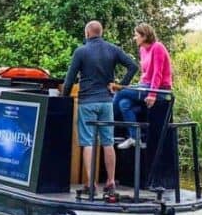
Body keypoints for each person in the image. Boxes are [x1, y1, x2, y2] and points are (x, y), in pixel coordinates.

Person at [60, 20, 138, 196]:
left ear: (87, 33)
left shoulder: (81, 51)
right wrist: (120, 86)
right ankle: (110, 182)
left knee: (88, 142)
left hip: (87, 101)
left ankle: (91, 183)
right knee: (108, 141)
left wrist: (64, 97)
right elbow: (133, 66)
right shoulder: (112, 49)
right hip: (106, 102)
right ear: (101, 33)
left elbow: (70, 78)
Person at [113, 23, 173, 149]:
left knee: (121, 92)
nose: (135, 38)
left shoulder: (157, 47)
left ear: (144, 36)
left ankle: (107, 123)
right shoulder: (142, 49)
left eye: (136, 35)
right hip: (145, 85)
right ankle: (135, 138)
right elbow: (145, 73)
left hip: (159, 89)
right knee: (124, 104)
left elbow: (158, 73)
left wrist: (152, 94)